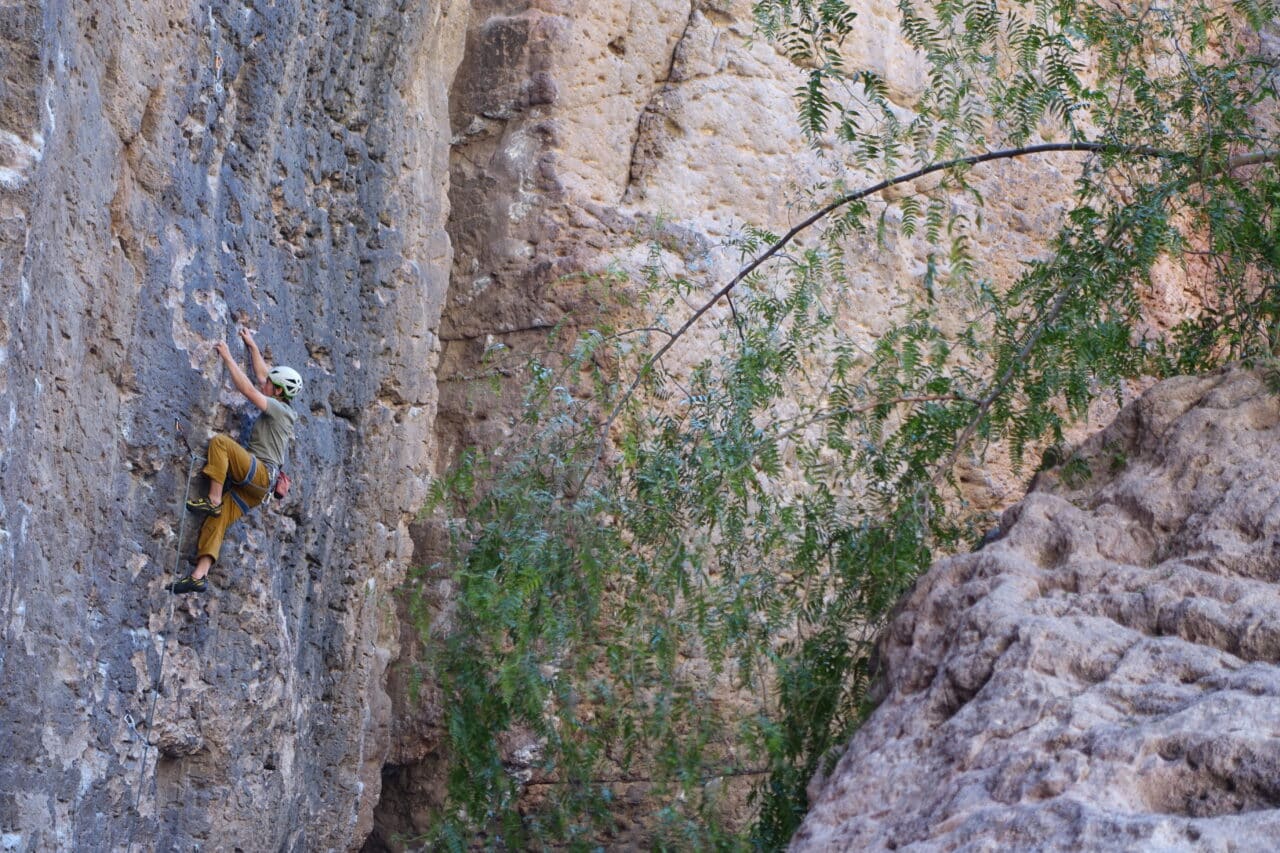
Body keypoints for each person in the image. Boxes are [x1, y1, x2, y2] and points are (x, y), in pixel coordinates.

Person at [167, 328, 302, 594]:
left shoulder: (279, 410)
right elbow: (263, 377)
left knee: (221, 444)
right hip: (257, 490)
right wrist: (252, 346)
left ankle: (213, 500)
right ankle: (199, 575)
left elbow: (251, 390)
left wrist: (228, 357)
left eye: (270, 385)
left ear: (277, 391)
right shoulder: (281, 403)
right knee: (217, 521)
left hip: (261, 473)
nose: (265, 383)